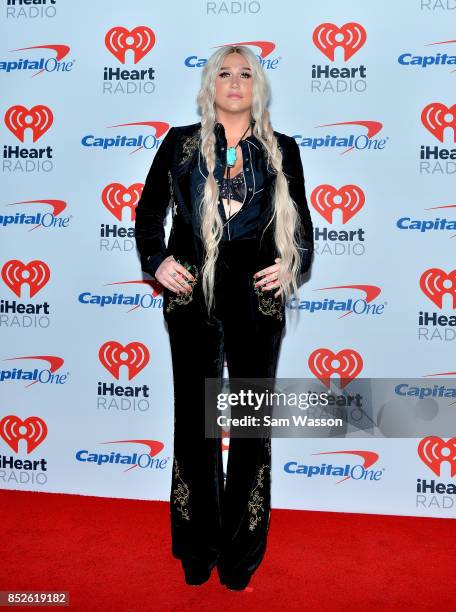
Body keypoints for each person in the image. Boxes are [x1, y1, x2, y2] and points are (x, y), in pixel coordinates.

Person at [134, 45, 314, 591]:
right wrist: (157, 261)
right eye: (224, 73)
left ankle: (241, 555)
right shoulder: (179, 145)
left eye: (245, 74)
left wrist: (289, 266)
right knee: (195, 419)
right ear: (210, 84)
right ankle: (196, 547)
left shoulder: (283, 150)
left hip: (255, 297)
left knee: (252, 427)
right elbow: (146, 213)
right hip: (191, 290)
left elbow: (301, 229)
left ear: (257, 86)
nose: (234, 82)